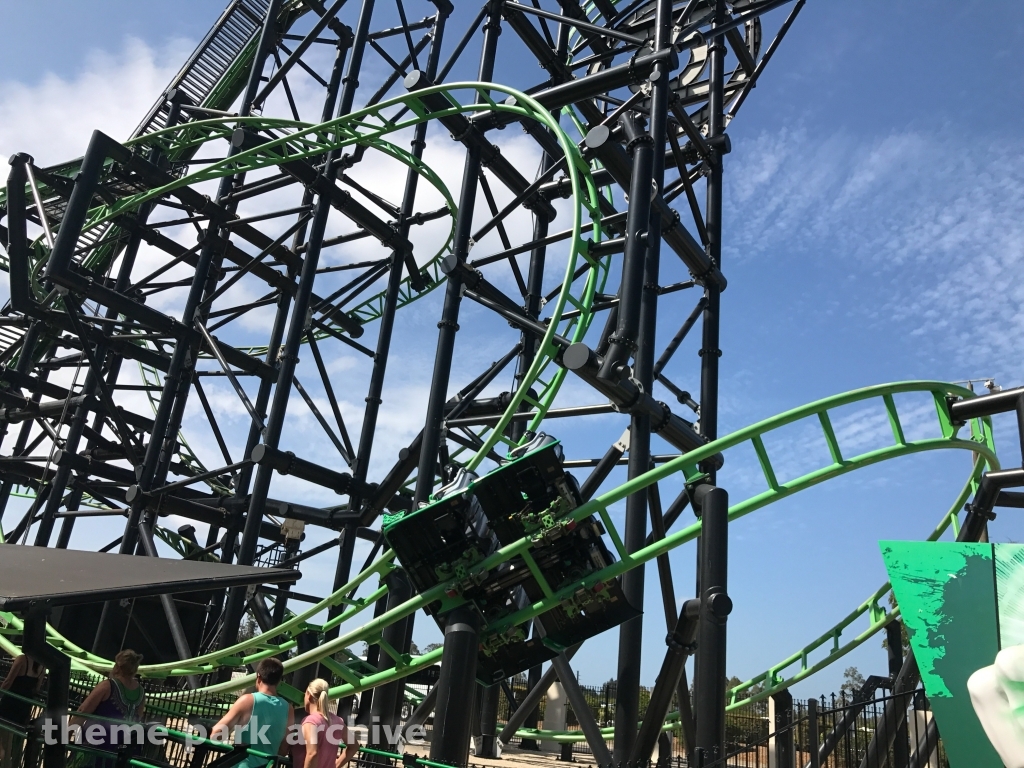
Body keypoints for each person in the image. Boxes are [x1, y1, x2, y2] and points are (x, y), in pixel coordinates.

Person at [212, 658, 293, 768]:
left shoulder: (247, 701)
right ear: (279, 681)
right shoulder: (288, 708)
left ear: (258, 677)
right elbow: (283, 749)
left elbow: (216, 735)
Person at [74, 650, 146, 767]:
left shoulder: (107, 685)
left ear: (118, 666)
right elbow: (138, 717)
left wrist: (65, 734)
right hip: (123, 748)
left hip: (98, 744)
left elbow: (83, 711)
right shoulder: (141, 692)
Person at [0, 654, 45, 768]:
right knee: (17, 742)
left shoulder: (22, 659)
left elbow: (8, 681)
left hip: (9, 704)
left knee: (5, 742)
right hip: (24, 707)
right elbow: (37, 688)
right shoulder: (42, 666)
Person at [299, 679, 356, 768]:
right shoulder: (338, 721)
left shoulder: (310, 721)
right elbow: (354, 746)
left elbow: (312, 753)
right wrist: (336, 765)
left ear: (309, 695)